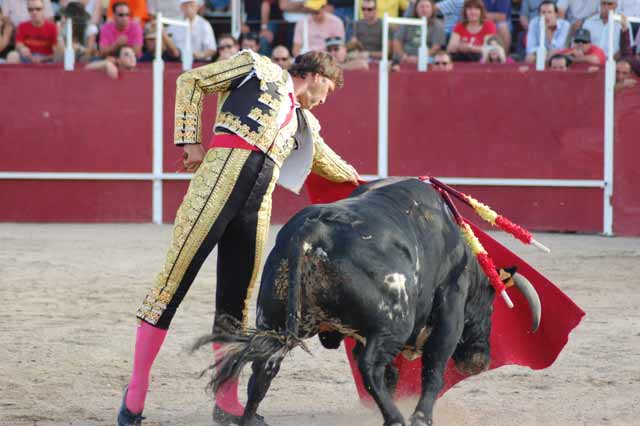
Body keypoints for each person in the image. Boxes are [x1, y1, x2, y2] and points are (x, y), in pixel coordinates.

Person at [116, 49, 359, 426]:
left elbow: (335, 167)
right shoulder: (256, 67)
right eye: (328, 86)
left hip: (254, 212)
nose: (326, 98)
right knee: (171, 287)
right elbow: (191, 81)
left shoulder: (304, 124)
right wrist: (190, 142)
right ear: (313, 74)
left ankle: (226, 402)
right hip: (211, 193)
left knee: (235, 305)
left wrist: (374, 186)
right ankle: (135, 394)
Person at [392, 0, 445, 64]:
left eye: (427, 7)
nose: (424, 9)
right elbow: (397, 41)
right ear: (416, 9)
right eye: (421, 7)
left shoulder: (438, 25)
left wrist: (419, 58)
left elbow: (436, 47)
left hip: (427, 59)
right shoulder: (407, 22)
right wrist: (404, 57)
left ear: (432, 9)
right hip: (404, 57)